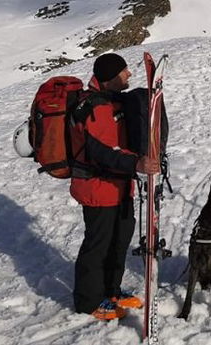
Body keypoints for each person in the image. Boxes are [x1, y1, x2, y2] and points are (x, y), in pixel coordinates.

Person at [70, 53, 160, 320]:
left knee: (118, 242)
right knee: (98, 246)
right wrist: (138, 164)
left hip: (120, 188)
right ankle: (88, 302)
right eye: (123, 72)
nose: (129, 74)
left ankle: (111, 290)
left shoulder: (113, 101)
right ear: (109, 79)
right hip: (97, 189)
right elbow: (102, 152)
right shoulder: (96, 108)